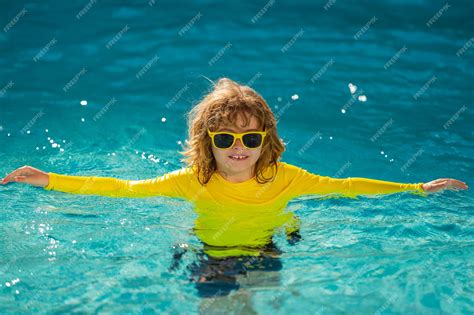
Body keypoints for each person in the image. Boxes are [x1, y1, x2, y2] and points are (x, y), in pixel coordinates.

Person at [1, 78, 468, 298]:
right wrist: (49, 181)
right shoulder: (192, 181)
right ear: (208, 143)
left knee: (260, 300)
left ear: (267, 140)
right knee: (216, 305)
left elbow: (347, 186)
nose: (238, 148)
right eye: (225, 138)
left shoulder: (286, 177)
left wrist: (417, 188)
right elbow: (123, 189)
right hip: (212, 253)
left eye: (250, 138)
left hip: (266, 246)